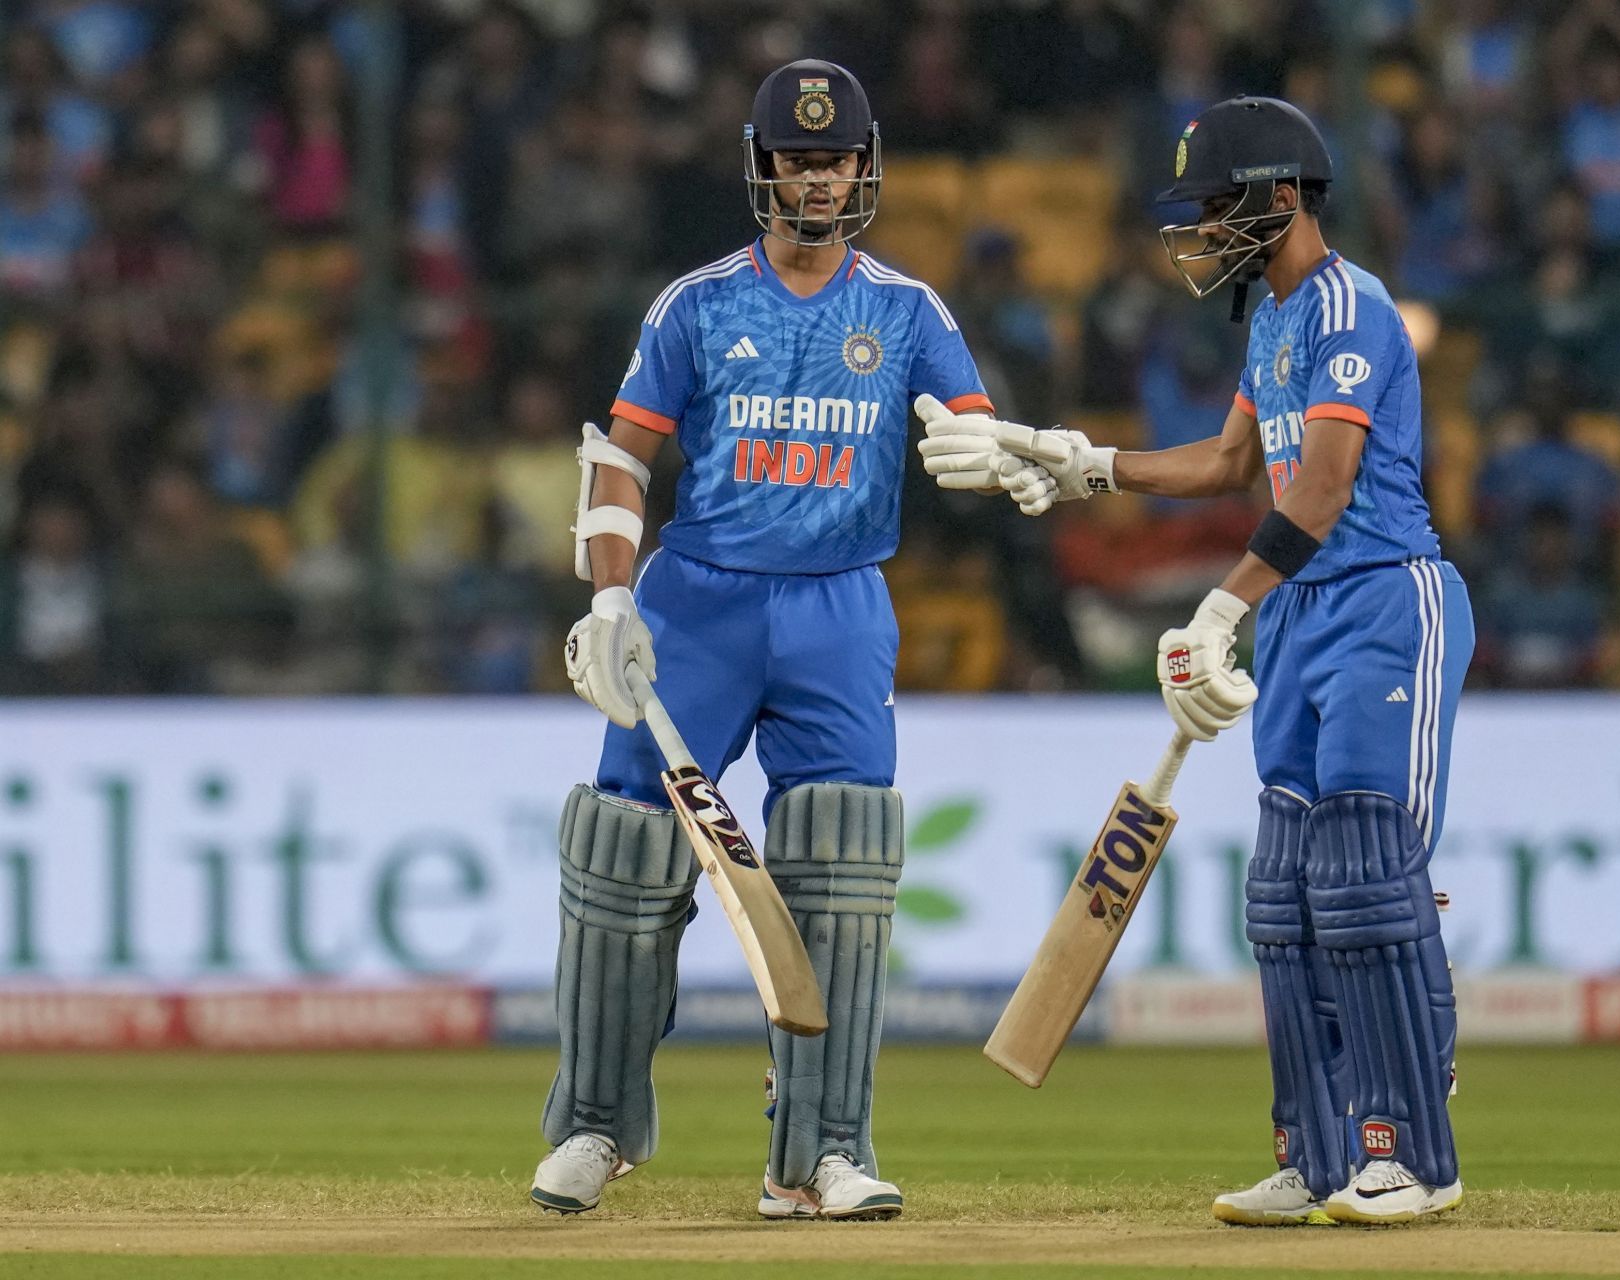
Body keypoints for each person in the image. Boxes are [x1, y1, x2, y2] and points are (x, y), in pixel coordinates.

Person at [927, 97, 1472, 1225]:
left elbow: (1316, 489)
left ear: (1283, 198)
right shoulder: (1272, 323)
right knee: (1284, 898)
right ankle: (1317, 1152)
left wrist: (1220, 606)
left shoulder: (1352, 308)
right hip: (1302, 611)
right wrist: (1081, 461)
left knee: (1367, 874)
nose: (1202, 228)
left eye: (1220, 204)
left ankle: (1411, 1148)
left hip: (1383, 601)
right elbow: (1234, 461)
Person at [530, 59, 995, 1221]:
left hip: (839, 603)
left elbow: (977, 432)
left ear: (863, 166)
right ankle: (593, 1123)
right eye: (798, 157)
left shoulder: (904, 308)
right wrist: (609, 599)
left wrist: (1004, 456)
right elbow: (621, 457)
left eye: (836, 158)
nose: (819, 177)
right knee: (627, 853)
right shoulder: (697, 304)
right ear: (763, 167)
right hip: (700, 601)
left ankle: (821, 1151)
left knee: (842, 868)